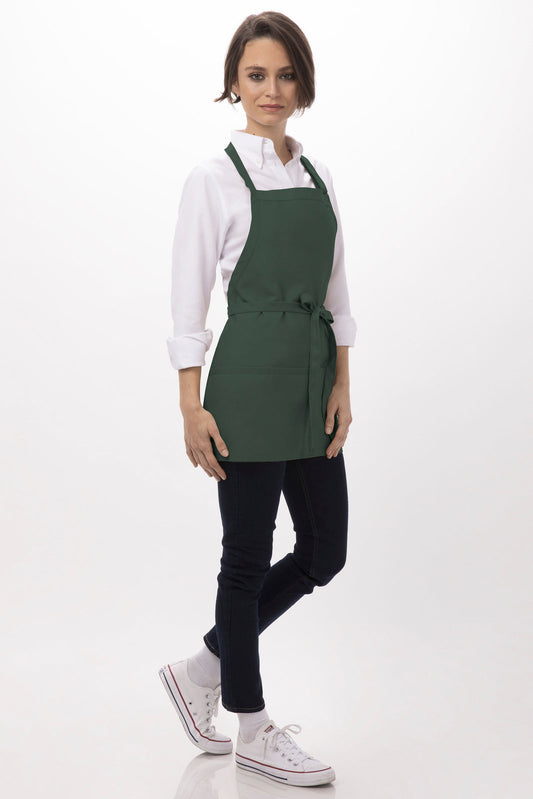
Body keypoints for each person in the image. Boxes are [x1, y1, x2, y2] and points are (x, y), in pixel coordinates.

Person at [159, 11, 357, 788]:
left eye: (284, 75)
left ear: (302, 83)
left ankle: (203, 665)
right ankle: (250, 724)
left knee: (324, 549)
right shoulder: (212, 178)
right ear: (233, 84)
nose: (271, 90)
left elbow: (337, 291)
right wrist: (190, 405)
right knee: (243, 558)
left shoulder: (317, 175)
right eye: (255, 75)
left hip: (311, 379)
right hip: (243, 382)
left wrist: (342, 382)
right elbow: (187, 304)